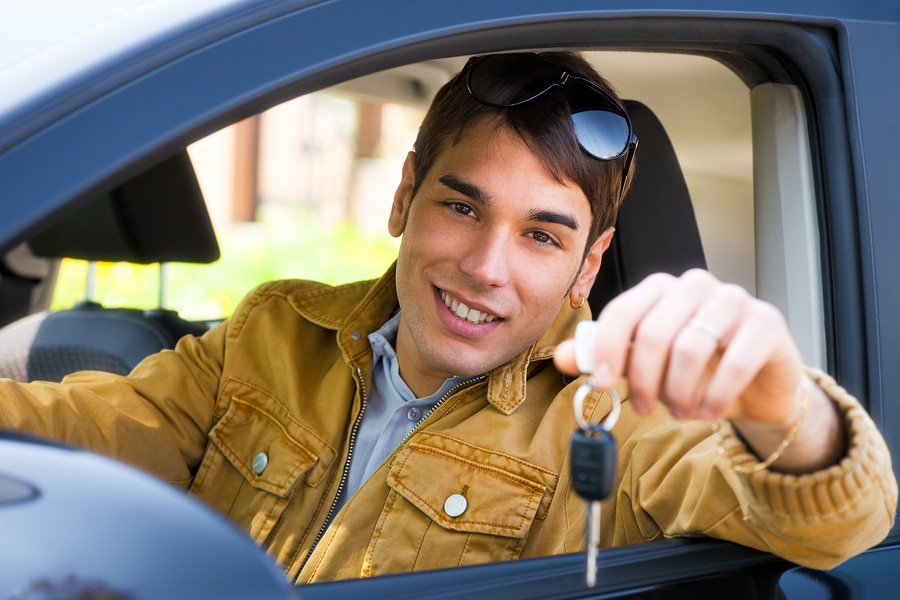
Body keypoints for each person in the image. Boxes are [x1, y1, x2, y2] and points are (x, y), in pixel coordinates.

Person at [0, 51, 895, 584]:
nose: (484, 267)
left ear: (590, 264)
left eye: (543, 236)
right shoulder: (273, 334)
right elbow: (74, 429)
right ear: (404, 198)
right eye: (461, 208)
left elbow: (835, 526)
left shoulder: (617, 421)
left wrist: (786, 406)